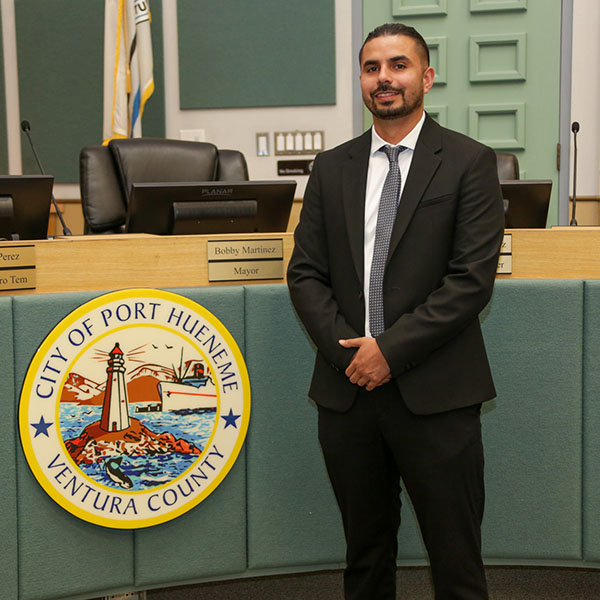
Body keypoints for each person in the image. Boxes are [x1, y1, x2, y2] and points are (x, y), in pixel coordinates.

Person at [287, 22, 505, 600]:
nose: (384, 78)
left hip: (437, 396)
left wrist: (390, 351)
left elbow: (470, 281)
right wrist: (352, 357)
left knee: (456, 564)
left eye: (398, 65)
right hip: (348, 392)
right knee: (365, 558)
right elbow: (305, 273)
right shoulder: (331, 168)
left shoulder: (469, 162)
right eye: (372, 67)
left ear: (426, 77)